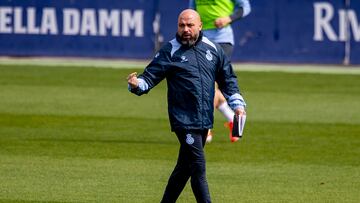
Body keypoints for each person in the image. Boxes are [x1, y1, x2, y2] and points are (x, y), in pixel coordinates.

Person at [127, 9, 246, 202]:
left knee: (184, 170)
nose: (186, 29)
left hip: (205, 118)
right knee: (198, 168)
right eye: (182, 25)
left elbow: (228, 80)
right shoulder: (170, 50)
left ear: (200, 26)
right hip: (183, 120)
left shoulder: (213, 49)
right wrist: (136, 84)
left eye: (190, 25)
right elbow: (149, 78)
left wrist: (238, 105)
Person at [189, 0, 251, 143]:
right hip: (201, 40)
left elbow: (245, 7)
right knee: (203, 84)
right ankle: (232, 119)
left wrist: (228, 19)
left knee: (209, 84)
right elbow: (192, 12)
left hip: (221, 39)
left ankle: (206, 127)